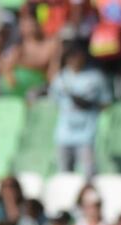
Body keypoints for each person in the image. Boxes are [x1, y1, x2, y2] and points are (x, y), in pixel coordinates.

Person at [51, 41, 112, 177]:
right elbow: (55, 101)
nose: (73, 60)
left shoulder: (95, 77)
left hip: (86, 134)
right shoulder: (60, 78)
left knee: (89, 173)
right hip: (64, 134)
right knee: (64, 174)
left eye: (76, 56)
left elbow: (106, 103)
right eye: (70, 56)